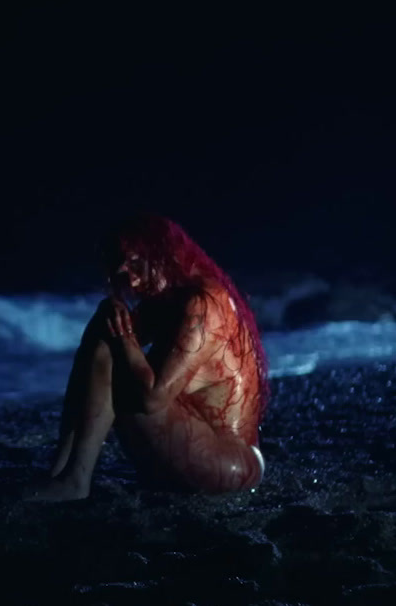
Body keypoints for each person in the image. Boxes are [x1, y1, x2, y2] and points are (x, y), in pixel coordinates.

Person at [25, 214, 268, 501]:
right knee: (106, 330)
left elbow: (152, 398)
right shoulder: (170, 298)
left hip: (230, 464)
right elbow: (101, 347)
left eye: (137, 264)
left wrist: (124, 340)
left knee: (114, 347)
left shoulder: (202, 302)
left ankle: (75, 480)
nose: (134, 281)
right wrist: (113, 320)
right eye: (123, 273)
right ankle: (62, 472)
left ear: (165, 254)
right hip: (206, 448)